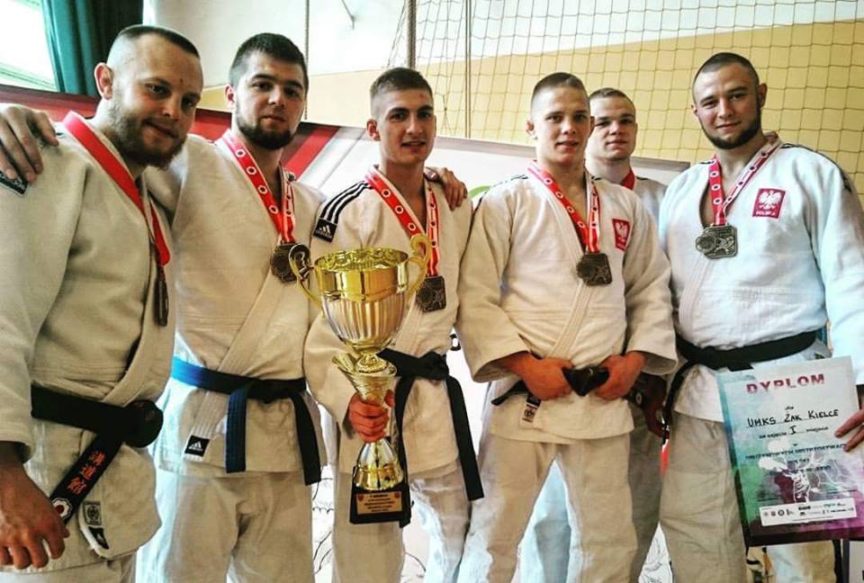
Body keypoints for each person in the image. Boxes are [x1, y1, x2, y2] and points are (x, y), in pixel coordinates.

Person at [455, 72, 676, 583]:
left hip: (602, 396)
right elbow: (476, 296)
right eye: (555, 117)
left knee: (610, 540)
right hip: (527, 396)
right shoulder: (506, 201)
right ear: (532, 125)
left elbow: (649, 289)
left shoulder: (623, 206)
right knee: (494, 536)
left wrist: (635, 361)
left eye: (580, 117)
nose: (569, 128)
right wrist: (524, 366)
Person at [0, 25, 202, 581]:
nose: (173, 112)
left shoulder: (148, 192)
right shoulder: (41, 164)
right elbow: (1, 317)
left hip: (114, 472)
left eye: (188, 101)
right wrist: (5, 477)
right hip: (41, 476)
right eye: (157, 89)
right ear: (106, 81)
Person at [658, 52, 864, 583]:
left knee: (801, 550)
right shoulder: (682, 189)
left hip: (792, 391)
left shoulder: (810, 174)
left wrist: (861, 382)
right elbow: (662, 293)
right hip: (699, 392)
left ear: (761, 95)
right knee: (697, 532)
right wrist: (657, 376)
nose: (724, 110)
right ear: (695, 111)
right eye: (710, 102)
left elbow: (852, 279)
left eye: (736, 95)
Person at [304, 67, 482, 583]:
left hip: (432, 392)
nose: (414, 127)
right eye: (398, 115)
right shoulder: (347, 212)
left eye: (424, 114)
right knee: (368, 548)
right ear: (373, 128)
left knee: (459, 529)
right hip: (373, 400)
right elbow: (322, 325)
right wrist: (348, 399)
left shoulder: (454, 204)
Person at [519, 86, 669, 583]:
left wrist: (645, 365)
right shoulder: (524, 199)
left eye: (625, 120)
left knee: (622, 518)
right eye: (602, 120)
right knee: (549, 518)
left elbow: (659, 290)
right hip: (557, 382)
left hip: (631, 383)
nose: (613, 130)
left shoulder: (658, 199)